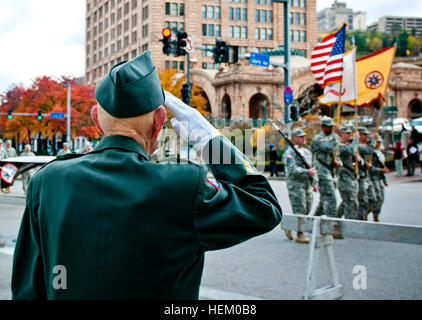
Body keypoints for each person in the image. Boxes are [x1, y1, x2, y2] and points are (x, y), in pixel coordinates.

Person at [11, 51, 282, 300]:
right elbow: (264, 208)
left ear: (95, 119)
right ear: (159, 122)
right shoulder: (185, 185)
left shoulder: (47, 181)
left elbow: (28, 290)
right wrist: (209, 139)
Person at [283, 129, 318, 243]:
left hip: (307, 184)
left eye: (304, 136)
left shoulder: (308, 152)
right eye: (300, 136)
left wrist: (314, 183)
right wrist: (306, 172)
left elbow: (311, 167)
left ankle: (288, 225)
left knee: (307, 208)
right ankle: (300, 234)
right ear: (294, 138)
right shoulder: (289, 153)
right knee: (300, 209)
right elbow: (292, 169)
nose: (303, 138)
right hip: (296, 185)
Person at [312, 116, 340, 217]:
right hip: (322, 173)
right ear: (323, 127)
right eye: (329, 127)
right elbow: (328, 147)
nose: (331, 129)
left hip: (330, 173)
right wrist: (336, 137)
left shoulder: (331, 138)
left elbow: (336, 153)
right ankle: (330, 226)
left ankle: (313, 223)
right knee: (331, 200)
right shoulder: (319, 138)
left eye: (332, 126)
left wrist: (337, 162)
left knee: (324, 201)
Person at [337, 126, 360, 220]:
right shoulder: (338, 145)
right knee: (352, 202)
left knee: (347, 201)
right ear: (341, 134)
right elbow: (349, 151)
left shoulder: (349, 145)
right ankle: (348, 224)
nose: (349, 135)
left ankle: (335, 219)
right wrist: (356, 140)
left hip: (352, 177)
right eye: (347, 133)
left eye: (350, 133)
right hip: (344, 178)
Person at [357, 127, 377, 221]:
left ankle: (364, 214)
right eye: (364, 134)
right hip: (360, 176)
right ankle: (360, 218)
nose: (366, 136)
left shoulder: (367, 145)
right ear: (359, 135)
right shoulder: (357, 146)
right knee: (362, 200)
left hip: (367, 175)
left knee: (373, 198)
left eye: (367, 135)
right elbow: (369, 150)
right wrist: (373, 141)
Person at [368, 137, 389, 222]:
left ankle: (375, 214)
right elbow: (369, 167)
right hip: (372, 178)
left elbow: (382, 166)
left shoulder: (380, 153)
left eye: (380, 142)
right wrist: (380, 170)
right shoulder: (370, 153)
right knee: (375, 198)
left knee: (381, 198)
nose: (379, 144)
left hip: (379, 178)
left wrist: (384, 180)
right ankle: (370, 213)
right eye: (377, 142)